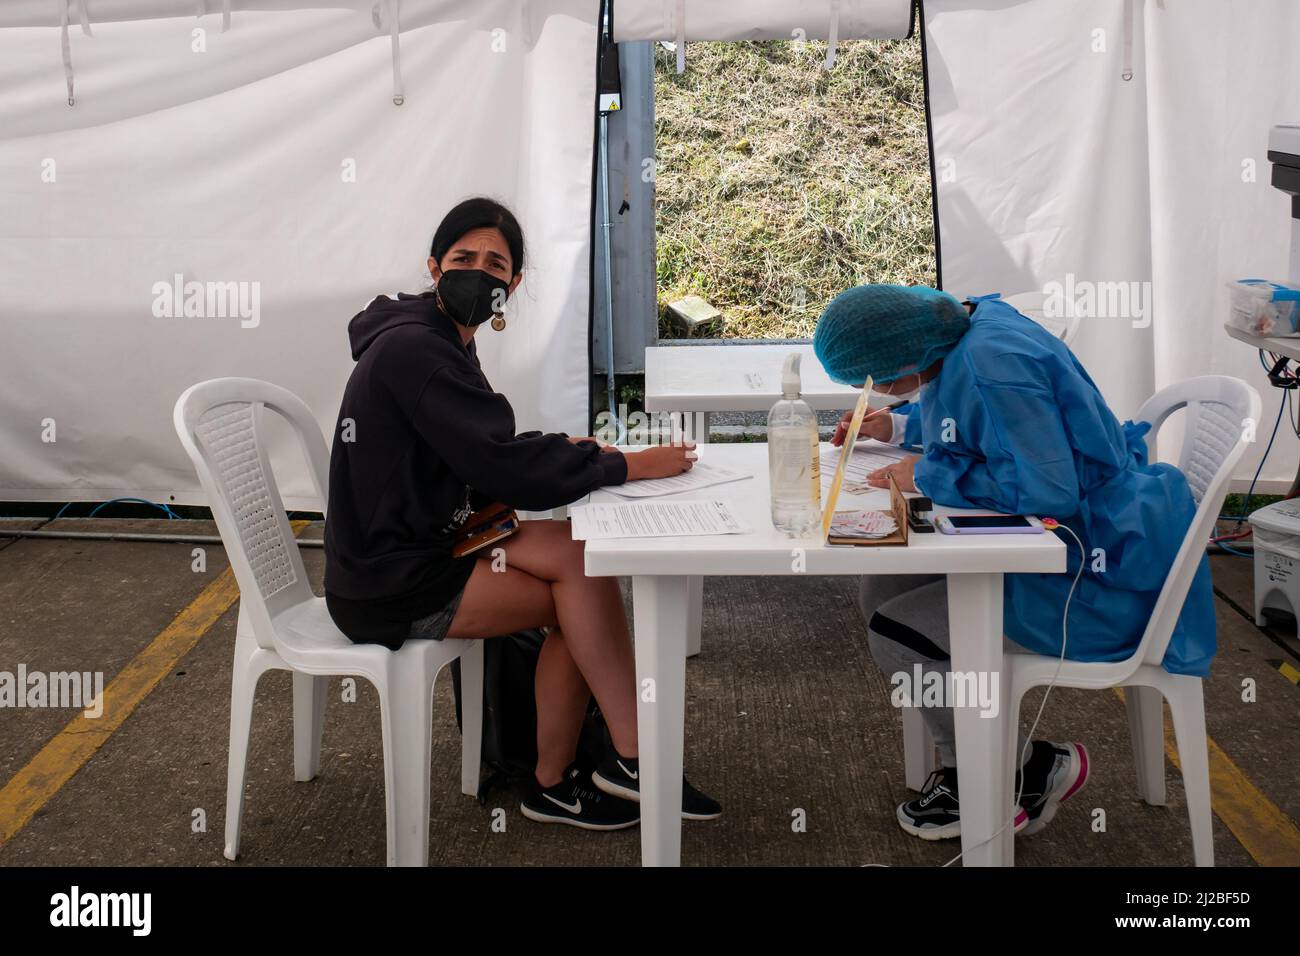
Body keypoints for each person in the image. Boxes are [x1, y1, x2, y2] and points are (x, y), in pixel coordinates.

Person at [324, 196, 721, 830]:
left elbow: (479, 448)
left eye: (496, 265)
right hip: (389, 581)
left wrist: (567, 452)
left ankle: (578, 775)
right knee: (579, 593)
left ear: (513, 286)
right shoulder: (415, 351)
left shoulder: (438, 337)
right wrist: (626, 464)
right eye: (463, 258)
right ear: (434, 267)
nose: (479, 274)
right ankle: (617, 762)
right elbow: (502, 468)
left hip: (427, 542)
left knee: (578, 556)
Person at [813, 285, 1215, 841]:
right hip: (1091, 534)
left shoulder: (993, 366)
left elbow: (1047, 488)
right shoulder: (966, 325)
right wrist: (901, 427)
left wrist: (925, 475)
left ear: (909, 357)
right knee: (883, 587)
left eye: (879, 380)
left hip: (1094, 574)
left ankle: (994, 777)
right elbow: (986, 426)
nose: (878, 391)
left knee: (897, 631)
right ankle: (1021, 764)